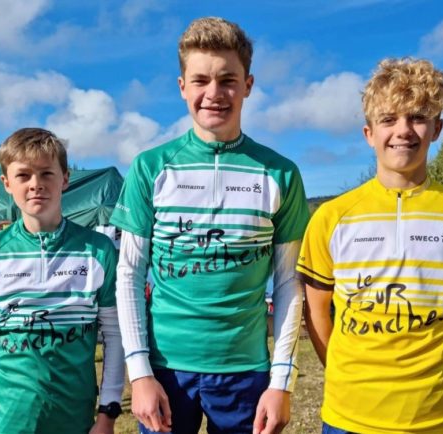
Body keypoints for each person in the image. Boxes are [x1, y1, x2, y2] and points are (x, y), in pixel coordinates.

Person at [109, 16, 309, 434]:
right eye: (200, 80)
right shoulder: (149, 168)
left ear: (248, 85)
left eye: (228, 80)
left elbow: (289, 282)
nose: (214, 93)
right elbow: (129, 274)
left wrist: (281, 381)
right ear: (182, 86)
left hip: (245, 372)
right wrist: (139, 373)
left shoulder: (281, 173)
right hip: (165, 371)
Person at [297, 58, 443, 434]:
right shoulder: (331, 217)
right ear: (368, 133)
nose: (403, 130)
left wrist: (440, 386)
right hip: (346, 419)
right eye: (389, 119)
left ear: (437, 128)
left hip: (431, 420)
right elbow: (317, 313)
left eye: (418, 117)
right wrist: (346, 380)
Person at [0, 128, 125, 434]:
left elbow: (115, 335)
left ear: (65, 179)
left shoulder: (98, 251)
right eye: (23, 175)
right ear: (6, 183)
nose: (36, 184)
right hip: (8, 421)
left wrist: (107, 413)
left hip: (76, 420)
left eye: (47, 173)